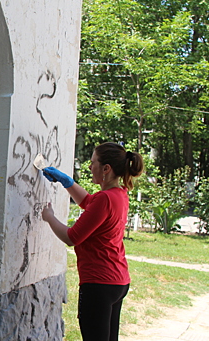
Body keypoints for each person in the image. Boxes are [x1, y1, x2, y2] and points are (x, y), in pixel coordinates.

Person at [41, 142, 144, 341]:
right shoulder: (119, 194)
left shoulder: (104, 199)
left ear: (106, 169)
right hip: (118, 281)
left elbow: (72, 237)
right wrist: (67, 182)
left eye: (93, 163)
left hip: (99, 284)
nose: (90, 167)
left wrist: (49, 217)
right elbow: (90, 203)